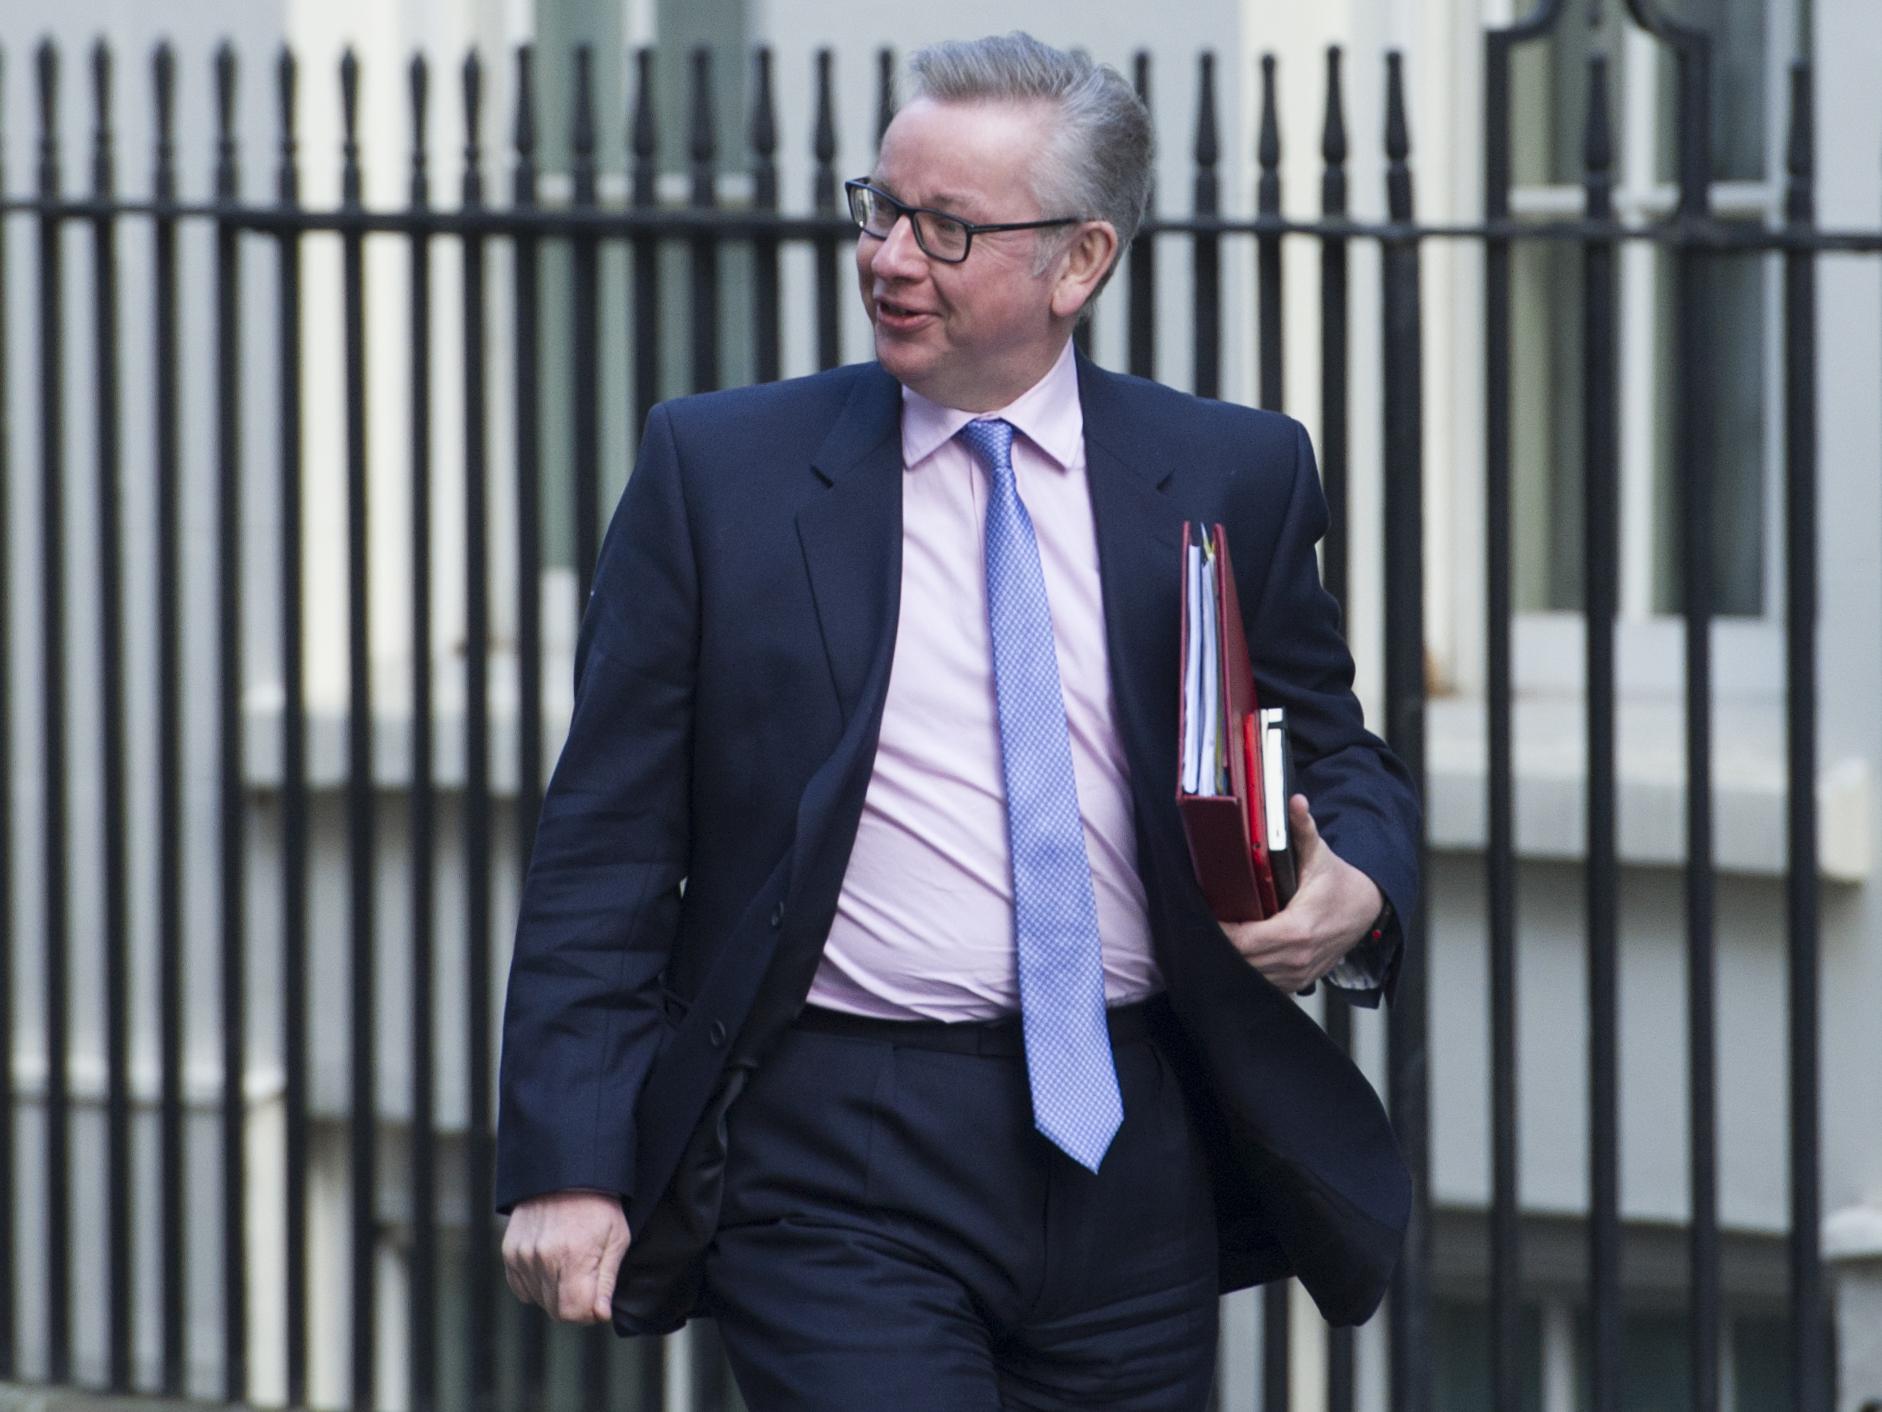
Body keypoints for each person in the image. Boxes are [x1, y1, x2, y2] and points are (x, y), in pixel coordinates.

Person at [497, 31, 1419, 1411]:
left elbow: (1328, 738)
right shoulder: (719, 471)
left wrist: (1354, 881)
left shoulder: (1231, 470)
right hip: (838, 1148)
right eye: (878, 209)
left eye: (943, 227)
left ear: (1079, 263)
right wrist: (568, 1159)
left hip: (1136, 1137)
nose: (887, 257)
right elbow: (607, 838)